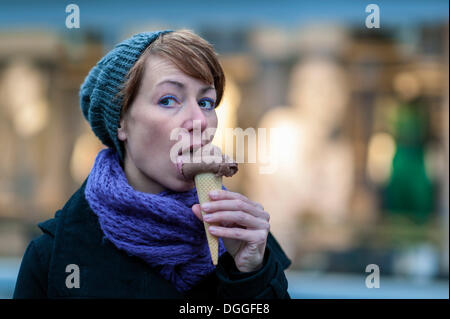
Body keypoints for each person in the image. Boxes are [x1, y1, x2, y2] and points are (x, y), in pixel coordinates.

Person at [13, 29, 291, 299]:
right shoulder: (52, 259)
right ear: (121, 121)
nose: (199, 120)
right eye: (169, 100)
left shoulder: (242, 239)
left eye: (207, 102)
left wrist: (252, 276)